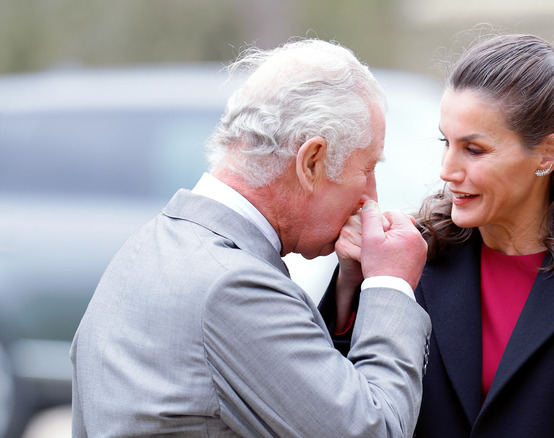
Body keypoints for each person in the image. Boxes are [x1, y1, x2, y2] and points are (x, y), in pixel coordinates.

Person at [322, 33, 554, 437]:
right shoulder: (412, 258)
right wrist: (351, 283)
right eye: (446, 142)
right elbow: (335, 405)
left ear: (548, 154)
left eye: (474, 150)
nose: (447, 169)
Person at [70, 38, 431, 438]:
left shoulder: (148, 247)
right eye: (367, 168)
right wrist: (390, 285)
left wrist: (352, 287)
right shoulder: (231, 286)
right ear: (311, 162)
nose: (372, 197)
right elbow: (375, 429)